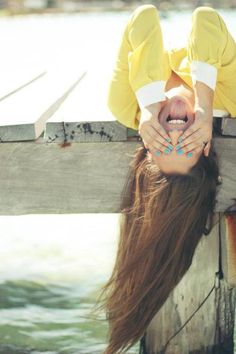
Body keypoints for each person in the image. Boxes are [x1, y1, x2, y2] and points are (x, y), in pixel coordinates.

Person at [95, 5, 236, 354]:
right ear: (205, 148)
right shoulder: (231, 97)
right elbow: (207, 18)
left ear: (147, 150)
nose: (174, 133)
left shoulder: (124, 105)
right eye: (185, 144)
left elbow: (143, 17)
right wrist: (204, 103)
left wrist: (146, 106)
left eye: (163, 146)